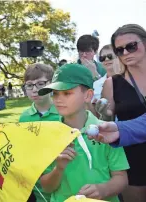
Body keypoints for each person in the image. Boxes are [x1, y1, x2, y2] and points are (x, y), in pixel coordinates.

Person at [38, 64, 129, 202]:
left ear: (88, 95)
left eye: (67, 93)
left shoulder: (106, 131)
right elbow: (46, 187)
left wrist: (103, 190)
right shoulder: (49, 135)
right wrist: (59, 169)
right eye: (55, 93)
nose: (58, 99)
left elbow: (121, 178)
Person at [96, 24, 146, 202]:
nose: (125, 53)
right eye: (119, 50)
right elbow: (108, 118)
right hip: (132, 157)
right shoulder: (112, 83)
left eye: (131, 46)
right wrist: (105, 113)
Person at [19, 63, 60, 202]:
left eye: (40, 84)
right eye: (29, 85)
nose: (34, 90)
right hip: (38, 182)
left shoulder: (63, 112)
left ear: (51, 84)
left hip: (65, 177)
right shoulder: (24, 118)